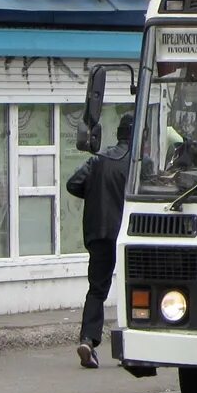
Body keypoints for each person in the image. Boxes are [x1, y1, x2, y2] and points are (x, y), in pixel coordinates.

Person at [67, 111, 133, 369]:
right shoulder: (140, 162)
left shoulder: (98, 160)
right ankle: (129, 349)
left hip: (98, 233)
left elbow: (73, 184)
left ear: (118, 135)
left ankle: (88, 340)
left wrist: (94, 194)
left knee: (97, 289)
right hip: (127, 234)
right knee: (133, 290)